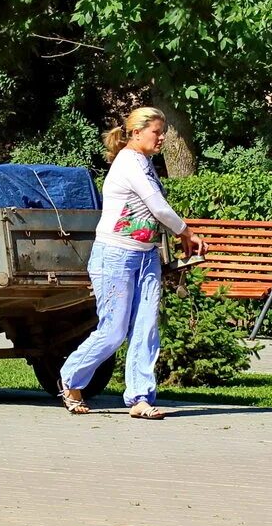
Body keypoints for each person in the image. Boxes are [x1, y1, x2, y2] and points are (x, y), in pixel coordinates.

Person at [59, 106, 206, 419]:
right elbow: (158, 207)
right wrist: (186, 232)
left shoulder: (145, 163)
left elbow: (154, 210)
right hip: (115, 256)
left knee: (146, 328)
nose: (162, 137)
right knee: (113, 331)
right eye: (157, 131)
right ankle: (70, 378)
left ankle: (140, 398)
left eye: (163, 131)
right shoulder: (128, 162)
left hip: (146, 256)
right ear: (137, 132)